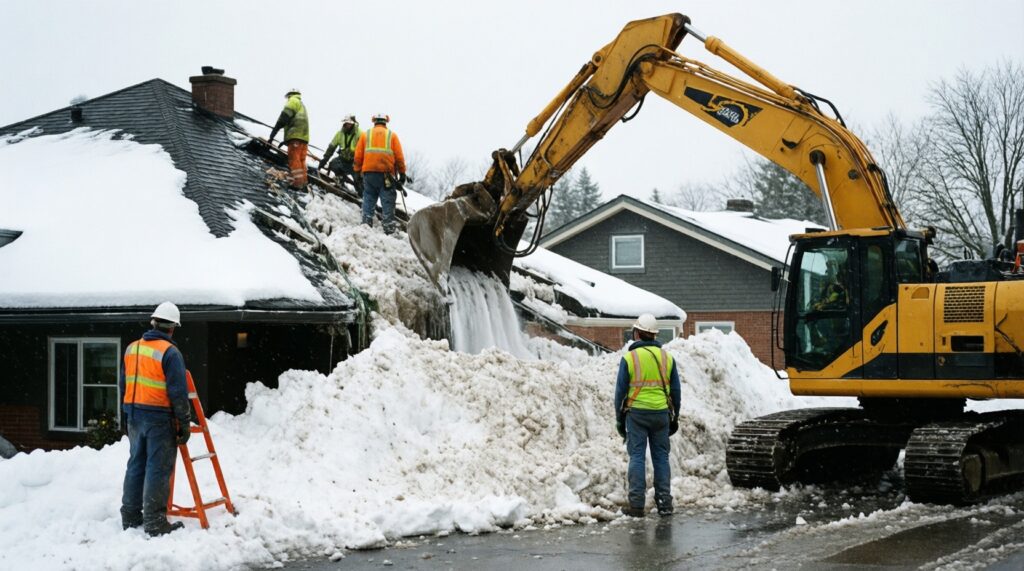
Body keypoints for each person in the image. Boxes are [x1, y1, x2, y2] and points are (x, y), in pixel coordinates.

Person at [119, 302, 192, 536]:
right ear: (173, 328)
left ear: (153, 322)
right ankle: (155, 522)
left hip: (134, 415)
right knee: (157, 468)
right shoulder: (170, 353)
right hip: (159, 418)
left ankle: (130, 517)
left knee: (135, 465)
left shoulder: (131, 349)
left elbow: (123, 385)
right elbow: (178, 393)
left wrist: (126, 414)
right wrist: (184, 423)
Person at [614, 313, 681, 517]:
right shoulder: (667, 358)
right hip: (661, 414)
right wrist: (675, 416)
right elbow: (676, 391)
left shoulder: (629, 358)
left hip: (636, 414)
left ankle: (636, 505)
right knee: (661, 457)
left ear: (638, 333)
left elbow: (620, 392)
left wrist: (619, 419)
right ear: (654, 335)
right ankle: (664, 503)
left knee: (637, 456)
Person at [353, 113, 406, 235]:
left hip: (369, 173)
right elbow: (399, 157)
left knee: (369, 198)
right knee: (387, 200)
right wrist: (402, 173)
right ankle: (389, 230)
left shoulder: (365, 135)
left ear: (374, 121)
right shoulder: (392, 136)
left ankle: (366, 225)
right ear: (385, 122)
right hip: (386, 175)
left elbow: (358, 155)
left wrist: (356, 171)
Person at [268, 88, 310, 190]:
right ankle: (304, 183)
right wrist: (286, 140)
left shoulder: (293, 101)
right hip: (303, 138)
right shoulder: (301, 104)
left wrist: (272, 134)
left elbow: (283, 118)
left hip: (295, 136)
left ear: (289, 95)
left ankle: (297, 183)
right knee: (301, 161)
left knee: (294, 159)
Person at [318, 114, 363, 191]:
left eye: (348, 123)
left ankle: (362, 195)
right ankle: (340, 180)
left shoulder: (360, 134)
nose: (346, 125)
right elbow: (332, 147)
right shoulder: (340, 133)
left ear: (352, 124)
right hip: (343, 160)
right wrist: (325, 159)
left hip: (355, 162)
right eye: (345, 123)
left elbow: (364, 150)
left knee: (359, 180)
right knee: (333, 164)